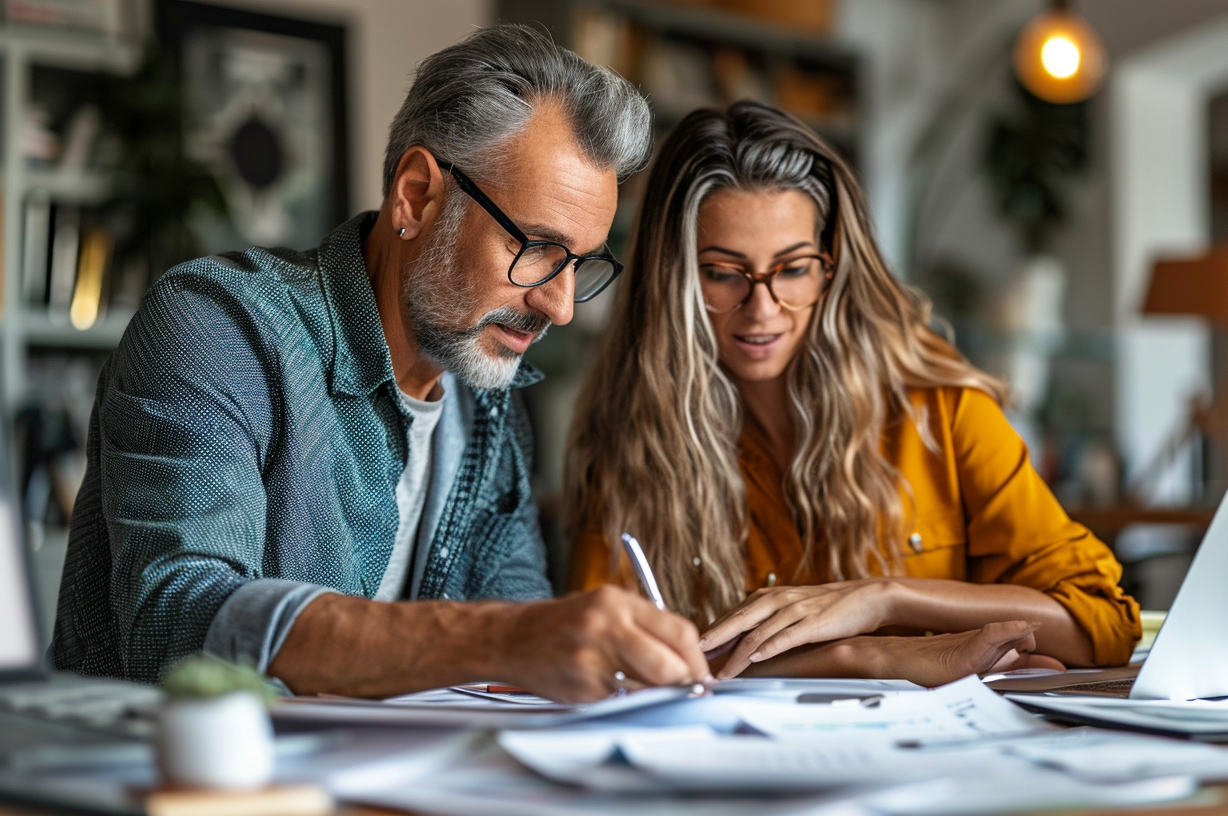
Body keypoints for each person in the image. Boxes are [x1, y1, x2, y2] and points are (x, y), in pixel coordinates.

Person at [51, 25, 712, 703]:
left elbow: (525, 677)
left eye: (579, 262)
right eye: (537, 247)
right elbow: (180, 629)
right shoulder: (217, 328)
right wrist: (497, 639)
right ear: (417, 195)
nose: (561, 306)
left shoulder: (488, 408)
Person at [567, 101, 1141, 686]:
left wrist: (886, 600)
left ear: (831, 269)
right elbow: (605, 660)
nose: (762, 309)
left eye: (792, 269)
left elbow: (1103, 623)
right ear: (674, 276)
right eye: (722, 273)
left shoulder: (937, 410)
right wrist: (866, 656)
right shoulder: (631, 445)